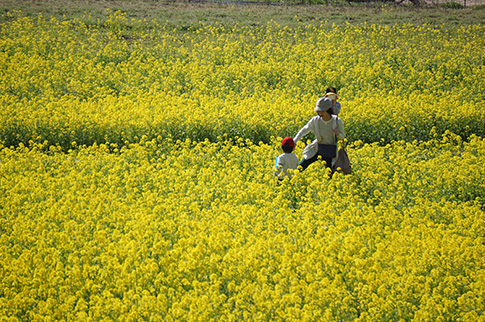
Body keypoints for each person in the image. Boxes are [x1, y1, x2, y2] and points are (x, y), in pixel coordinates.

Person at [293, 97, 345, 172]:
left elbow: (342, 137)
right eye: (318, 111)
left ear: (328, 110)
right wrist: (294, 141)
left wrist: (338, 134)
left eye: (322, 111)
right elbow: (304, 130)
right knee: (301, 166)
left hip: (330, 150)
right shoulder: (315, 120)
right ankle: (289, 178)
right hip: (317, 147)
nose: (320, 113)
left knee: (329, 172)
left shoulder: (337, 121)